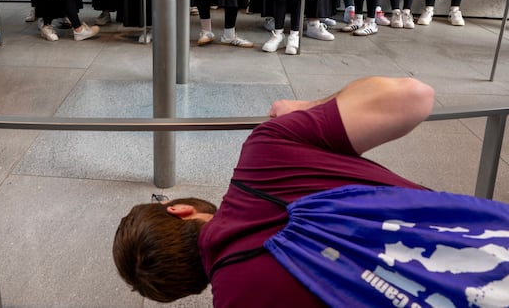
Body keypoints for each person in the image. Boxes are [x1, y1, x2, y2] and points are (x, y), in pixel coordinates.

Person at [113, 76, 436, 306]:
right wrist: (308, 109)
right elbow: (413, 95)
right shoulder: (266, 156)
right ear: (179, 210)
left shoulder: (234, 299)